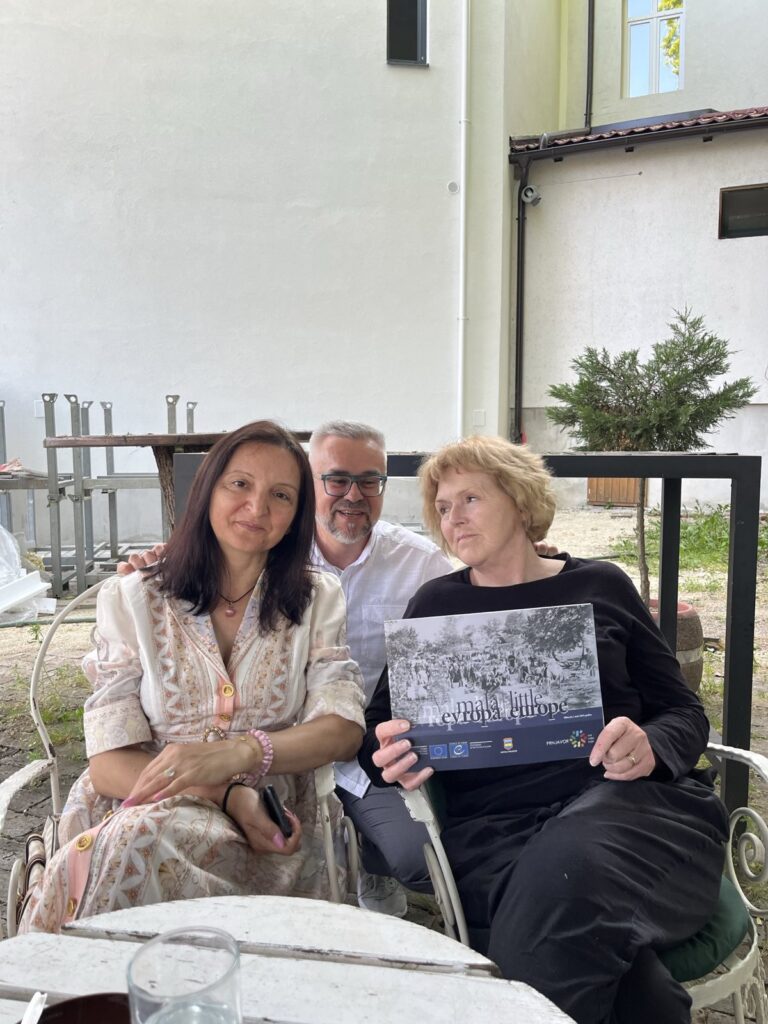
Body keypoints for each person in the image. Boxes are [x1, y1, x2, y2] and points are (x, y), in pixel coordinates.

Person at [359, 435, 729, 1024]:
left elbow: (684, 712)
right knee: (636, 988)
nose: (453, 517)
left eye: (470, 499)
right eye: (444, 507)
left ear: (521, 501)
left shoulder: (600, 585)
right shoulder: (435, 605)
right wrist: (389, 753)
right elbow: (379, 726)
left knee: (567, 864)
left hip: (632, 811)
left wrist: (650, 745)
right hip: (497, 833)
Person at [19, 420, 365, 933]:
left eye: (281, 495)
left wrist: (248, 752)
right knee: (137, 840)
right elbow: (109, 763)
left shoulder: (317, 599)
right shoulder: (134, 597)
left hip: (271, 827)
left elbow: (342, 727)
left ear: (296, 515)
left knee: (130, 850)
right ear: (206, 491)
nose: (257, 508)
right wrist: (221, 790)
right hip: (139, 802)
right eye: (239, 485)